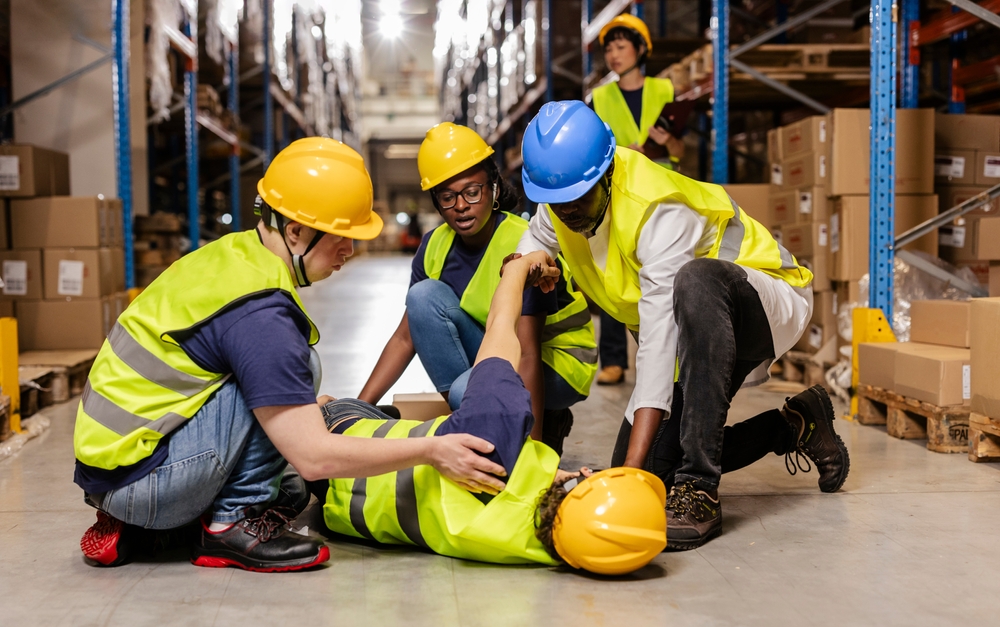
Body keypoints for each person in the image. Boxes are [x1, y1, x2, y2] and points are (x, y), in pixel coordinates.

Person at [74, 138, 507, 572]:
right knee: (300, 404)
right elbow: (314, 456)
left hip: (117, 468)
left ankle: (144, 524)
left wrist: (311, 409)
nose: (349, 251)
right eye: (341, 237)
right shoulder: (261, 315)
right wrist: (432, 450)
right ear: (296, 231)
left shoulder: (235, 254)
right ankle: (230, 527)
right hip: (145, 481)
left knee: (290, 484)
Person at [516, 101, 850, 550]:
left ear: (608, 172)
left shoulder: (658, 210)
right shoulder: (561, 199)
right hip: (692, 327)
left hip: (762, 300)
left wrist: (628, 481)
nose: (568, 212)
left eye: (579, 197)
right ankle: (794, 426)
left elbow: (655, 345)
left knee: (696, 279)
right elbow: (538, 234)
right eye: (556, 202)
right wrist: (533, 256)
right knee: (653, 468)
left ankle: (699, 489)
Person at [315, 251, 667, 576]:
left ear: (584, 475)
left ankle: (330, 406)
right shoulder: (533, 548)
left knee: (324, 396)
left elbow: (502, 324)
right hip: (339, 515)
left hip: (338, 443)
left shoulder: (493, 432)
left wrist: (516, 271)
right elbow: (525, 493)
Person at [358, 122, 597, 454]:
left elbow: (528, 352)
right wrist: (358, 408)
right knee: (422, 297)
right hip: (500, 349)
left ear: (494, 189)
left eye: (472, 191)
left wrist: (533, 450)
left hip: (557, 363)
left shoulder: (521, 243)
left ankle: (526, 424)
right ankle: (479, 422)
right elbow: (405, 336)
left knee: (465, 392)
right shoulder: (433, 246)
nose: (461, 205)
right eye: (447, 196)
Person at [592, 13, 685, 386]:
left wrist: (664, 144)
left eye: (621, 46)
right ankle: (613, 361)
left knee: (668, 275)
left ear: (641, 49)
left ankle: (674, 358)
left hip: (663, 190)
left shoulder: (664, 91)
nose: (613, 55)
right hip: (621, 191)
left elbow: (681, 148)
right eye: (609, 49)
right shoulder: (600, 96)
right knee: (617, 275)